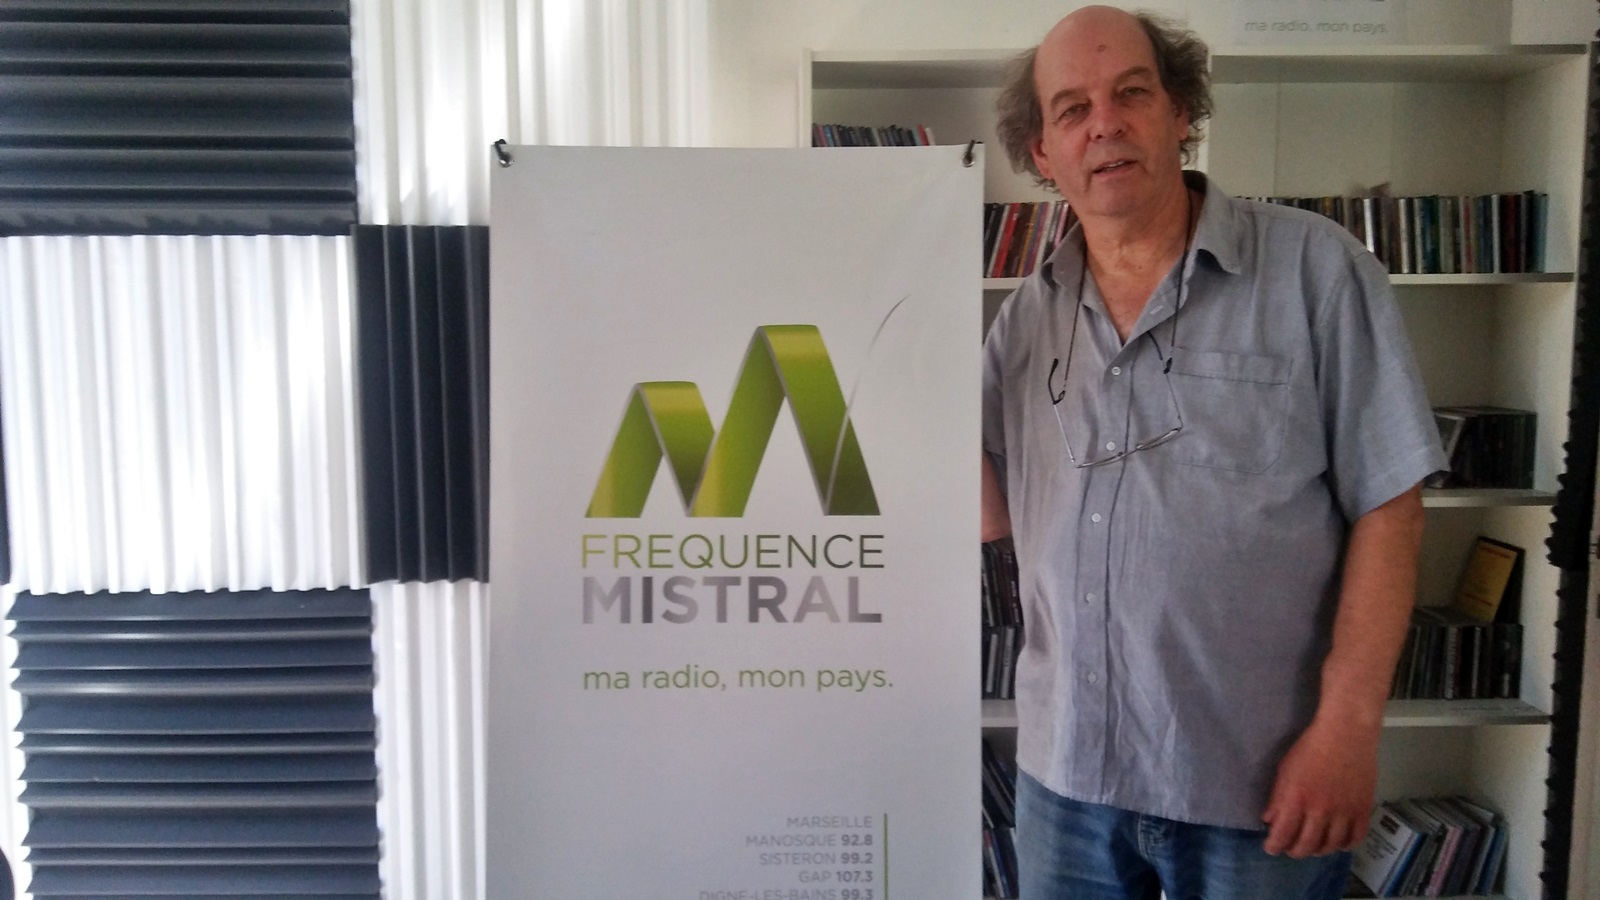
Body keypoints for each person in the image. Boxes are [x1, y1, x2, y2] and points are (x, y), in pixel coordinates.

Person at [980, 7, 1447, 898]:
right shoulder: (1026, 317)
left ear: (1180, 111)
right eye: (1072, 109)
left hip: (1257, 783)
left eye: (1131, 94)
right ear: (1043, 151)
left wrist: (1348, 731)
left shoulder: (1317, 272)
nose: (1104, 124)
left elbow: (1391, 509)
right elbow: (986, 513)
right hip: (1066, 777)